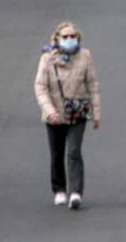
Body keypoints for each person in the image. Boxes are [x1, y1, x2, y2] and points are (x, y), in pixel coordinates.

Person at [34, 22, 100, 210]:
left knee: (73, 152)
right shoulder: (47, 59)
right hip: (54, 115)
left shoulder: (85, 56)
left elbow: (92, 84)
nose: (69, 40)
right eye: (65, 37)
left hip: (77, 112)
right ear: (57, 39)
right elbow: (40, 87)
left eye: (73, 36)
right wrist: (49, 110)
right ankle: (59, 189)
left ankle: (76, 192)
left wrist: (96, 113)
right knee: (57, 154)